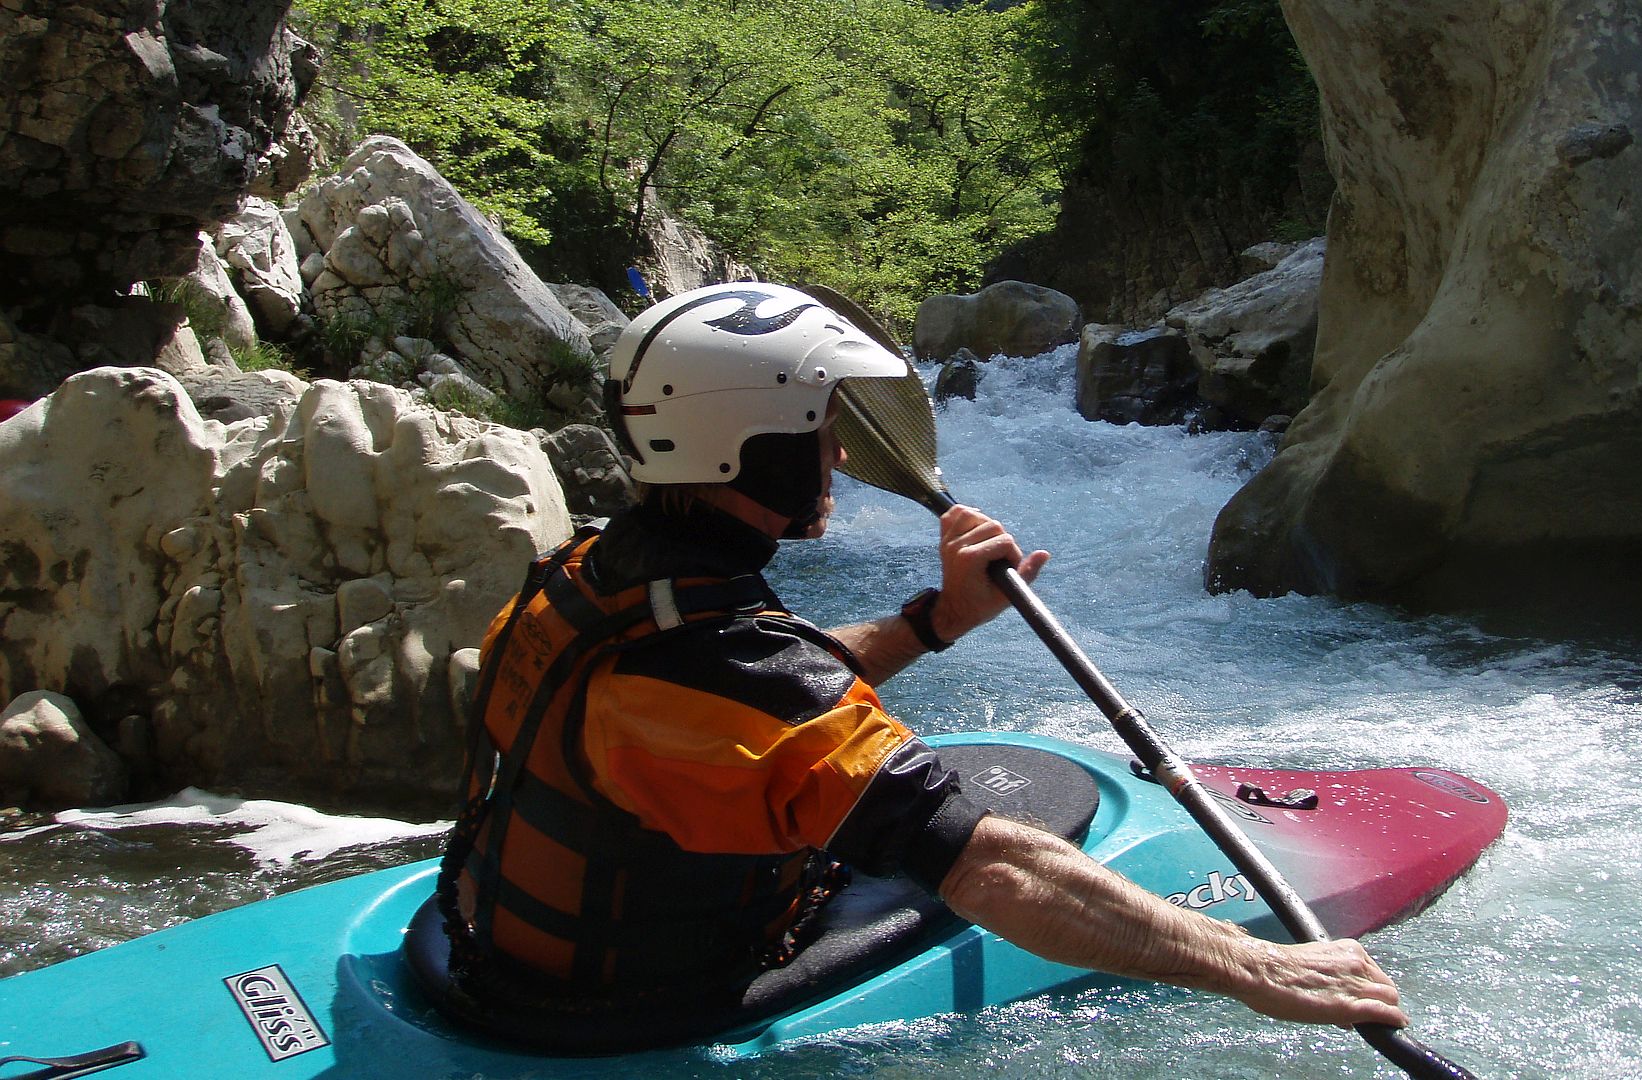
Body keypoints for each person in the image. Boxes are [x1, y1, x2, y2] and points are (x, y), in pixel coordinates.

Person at [436, 282, 1406, 1045]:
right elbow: (991, 871)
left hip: (489, 955)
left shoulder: (577, 579)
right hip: (637, 1002)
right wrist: (1254, 970)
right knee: (992, 830)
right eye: (820, 432)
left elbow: (753, 708)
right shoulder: (742, 669)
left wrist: (936, 621)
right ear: (752, 450)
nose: (841, 459)